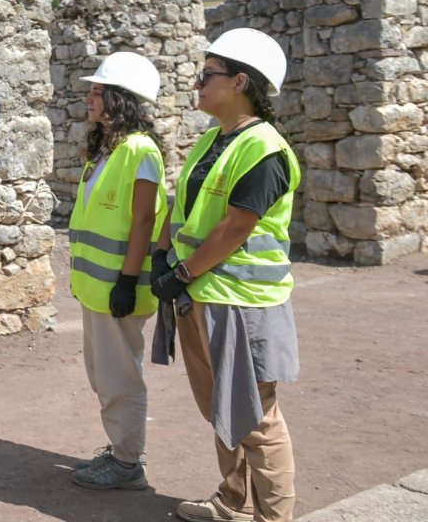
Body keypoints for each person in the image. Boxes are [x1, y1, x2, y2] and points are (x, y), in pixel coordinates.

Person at [151, 28, 301, 522]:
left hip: (241, 298)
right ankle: (233, 503)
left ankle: (273, 518)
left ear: (239, 82)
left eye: (206, 75)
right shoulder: (214, 140)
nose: (197, 83)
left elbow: (238, 226)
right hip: (204, 291)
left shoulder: (263, 148)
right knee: (222, 407)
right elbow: (189, 213)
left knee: (256, 418)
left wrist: (182, 271)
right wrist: (165, 258)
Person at [66, 52, 167, 490]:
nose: (88, 98)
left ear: (119, 99)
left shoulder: (140, 151)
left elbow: (145, 220)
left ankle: (127, 462)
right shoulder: (108, 148)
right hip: (97, 287)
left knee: (119, 376)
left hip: (117, 287)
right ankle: (121, 452)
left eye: (97, 91)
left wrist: (127, 281)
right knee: (104, 374)